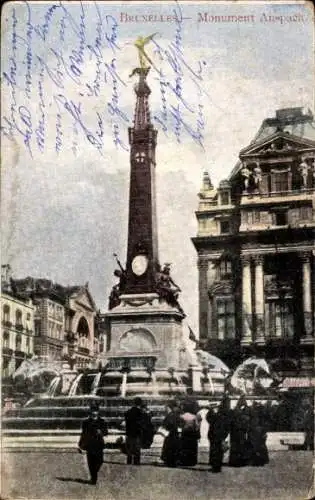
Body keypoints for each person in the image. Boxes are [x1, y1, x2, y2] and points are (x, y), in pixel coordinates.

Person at [78, 403, 108, 485]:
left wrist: (101, 432)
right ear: (90, 411)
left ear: (98, 412)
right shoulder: (86, 422)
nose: (94, 412)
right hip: (90, 444)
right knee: (91, 462)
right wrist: (80, 445)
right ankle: (93, 478)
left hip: (99, 444)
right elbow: (83, 434)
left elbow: (106, 432)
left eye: (96, 411)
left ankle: (94, 474)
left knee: (100, 461)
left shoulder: (102, 421)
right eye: (93, 410)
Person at [207, 396, 231, 473]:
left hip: (214, 434)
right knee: (219, 451)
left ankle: (215, 467)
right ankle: (218, 467)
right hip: (221, 434)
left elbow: (209, 419)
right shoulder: (227, 413)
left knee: (215, 451)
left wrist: (211, 411)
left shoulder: (216, 413)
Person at [229, 395, 250, 467]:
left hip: (235, 432)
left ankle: (234, 461)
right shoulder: (244, 413)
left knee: (235, 447)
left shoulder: (234, 411)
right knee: (241, 446)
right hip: (241, 432)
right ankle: (241, 462)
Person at [125, 397, 146, 465]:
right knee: (137, 451)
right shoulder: (140, 413)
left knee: (129, 451)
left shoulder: (128, 412)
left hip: (129, 433)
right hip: (137, 434)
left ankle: (129, 463)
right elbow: (142, 424)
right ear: (140, 404)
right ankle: (136, 463)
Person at [179, 401, 201, 466]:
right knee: (192, 448)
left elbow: (180, 425)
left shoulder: (182, 416)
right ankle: (192, 461)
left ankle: (184, 461)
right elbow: (197, 426)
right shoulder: (194, 416)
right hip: (192, 434)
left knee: (184, 448)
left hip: (184, 433)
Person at [246, 402, 269, 466]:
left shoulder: (255, 416)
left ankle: (256, 460)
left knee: (255, 446)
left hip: (256, 431)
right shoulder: (261, 415)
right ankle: (262, 460)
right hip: (258, 431)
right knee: (260, 446)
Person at [160, 401, 181, 467]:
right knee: (174, 447)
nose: (165, 409)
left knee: (168, 447)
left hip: (170, 433)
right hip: (175, 433)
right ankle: (173, 461)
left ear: (169, 408)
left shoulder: (169, 415)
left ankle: (168, 461)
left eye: (166, 407)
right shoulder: (175, 415)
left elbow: (166, 424)